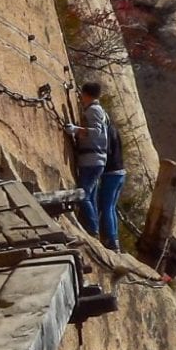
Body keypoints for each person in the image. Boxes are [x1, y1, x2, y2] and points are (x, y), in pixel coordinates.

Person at [69, 81, 109, 237]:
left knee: (83, 194)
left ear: (86, 94)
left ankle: (93, 229)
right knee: (90, 196)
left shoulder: (93, 110)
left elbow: (96, 132)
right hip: (94, 159)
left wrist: (76, 130)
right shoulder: (97, 110)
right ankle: (93, 228)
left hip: (92, 159)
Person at [98, 111, 126, 250]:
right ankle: (115, 239)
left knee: (107, 207)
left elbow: (106, 151)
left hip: (111, 173)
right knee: (112, 207)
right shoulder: (114, 129)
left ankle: (111, 239)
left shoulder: (107, 131)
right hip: (120, 172)